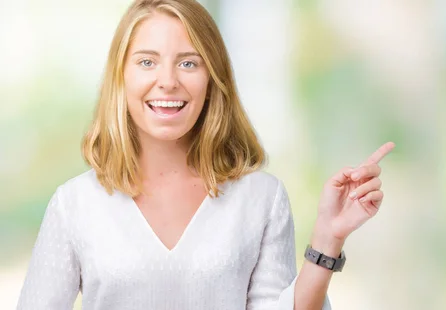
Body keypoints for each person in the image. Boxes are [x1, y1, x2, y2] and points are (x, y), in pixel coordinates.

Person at [16, 0, 395, 309]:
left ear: (213, 80)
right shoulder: (75, 204)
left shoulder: (261, 199)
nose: (168, 80)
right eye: (147, 62)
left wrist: (328, 238)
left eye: (188, 63)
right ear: (121, 78)